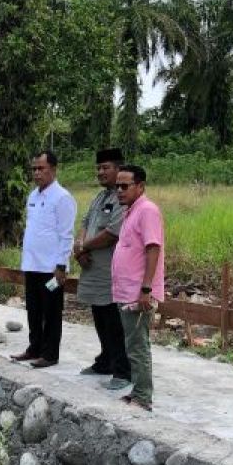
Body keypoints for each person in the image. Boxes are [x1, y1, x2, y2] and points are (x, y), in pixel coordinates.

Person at [11, 150, 76, 369]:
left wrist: (61, 266)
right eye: (34, 169)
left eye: (41, 168)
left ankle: (50, 354)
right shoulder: (33, 196)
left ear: (53, 170)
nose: (37, 173)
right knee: (34, 310)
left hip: (51, 268)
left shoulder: (62, 198)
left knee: (51, 312)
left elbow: (66, 235)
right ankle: (34, 348)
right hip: (32, 264)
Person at [73, 147, 130, 390]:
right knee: (99, 316)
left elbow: (111, 234)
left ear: (118, 169)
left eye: (106, 167)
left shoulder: (122, 199)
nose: (100, 172)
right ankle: (105, 360)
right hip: (92, 269)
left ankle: (122, 370)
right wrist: (80, 247)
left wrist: (84, 246)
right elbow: (86, 222)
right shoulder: (100, 197)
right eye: (98, 168)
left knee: (114, 320)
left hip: (111, 271)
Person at [111, 164, 164, 411]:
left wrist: (146, 289)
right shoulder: (131, 211)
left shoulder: (147, 211)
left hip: (138, 293)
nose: (119, 190)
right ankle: (138, 391)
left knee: (137, 345)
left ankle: (143, 396)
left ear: (140, 186)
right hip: (127, 291)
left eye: (125, 186)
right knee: (132, 343)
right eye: (117, 186)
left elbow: (153, 248)